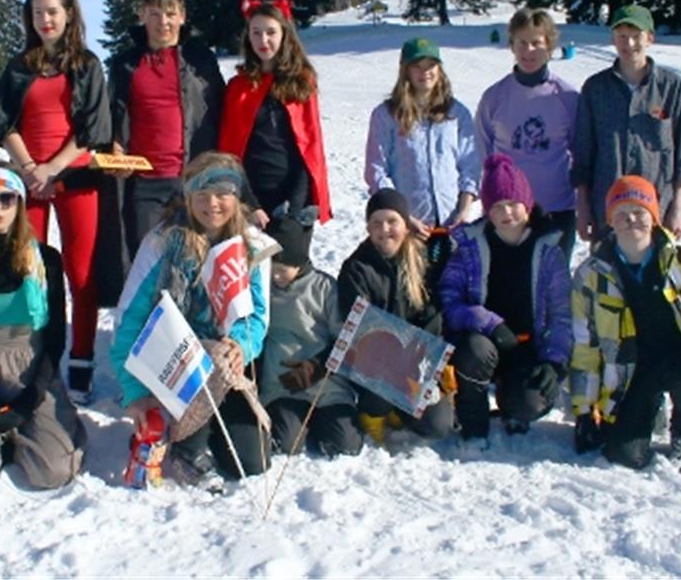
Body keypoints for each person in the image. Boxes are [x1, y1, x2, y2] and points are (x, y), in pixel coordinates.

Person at [0, 0, 112, 404]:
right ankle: (34, 352)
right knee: (29, 270)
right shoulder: (19, 67)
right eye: (37, 13)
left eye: (53, 12)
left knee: (80, 272)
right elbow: (5, 123)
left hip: (75, 175)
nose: (46, 21)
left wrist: (53, 168)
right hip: (28, 181)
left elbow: (93, 126)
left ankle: (81, 356)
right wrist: (30, 168)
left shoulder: (87, 65)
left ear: (69, 14)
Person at [111, 152, 276, 483]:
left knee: (252, 461)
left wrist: (242, 345)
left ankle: (206, 425)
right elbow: (128, 321)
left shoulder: (253, 245)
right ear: (188, 197)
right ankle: (187, 444)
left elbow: (257, 315)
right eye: (201, 194)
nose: (211, 204)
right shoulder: (162, 242)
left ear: (237, 196)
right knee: (209, 356)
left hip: (223, 366)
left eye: (221, 194)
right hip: (170, 360)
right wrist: (135, 393)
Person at [569, 176, 681, 475]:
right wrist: (584, 411)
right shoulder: (592, 276)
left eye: (639, 211)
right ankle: (650, 411)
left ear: (654, 216)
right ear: (611, 220)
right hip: (631, 370)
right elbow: (585, 344)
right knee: (624, 455)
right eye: (621, 214)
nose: (631, 220)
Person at [0, 163, 86, 490]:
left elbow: (54, 337)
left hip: (32, 370)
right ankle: (0, 438)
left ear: (20, 203)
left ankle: (31, 429)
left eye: (6, 198)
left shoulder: (46, 259)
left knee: (53, 472)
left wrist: (31, 398)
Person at [438, 154, 572, 444]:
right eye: (497, 206)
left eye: (513, 203)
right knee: (475, 350)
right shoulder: (471, 246)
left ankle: (513, 406)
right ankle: (473, 421)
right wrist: (488, 322)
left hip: (527, 348)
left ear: (527, 203)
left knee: (531, 401)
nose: (506, 212)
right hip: (485, 343)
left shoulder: (548, 250)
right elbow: (449, 300)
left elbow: (562, 314)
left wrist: (554, 362)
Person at [108, 0, 225, 257]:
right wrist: (116, 147)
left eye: (171, 14)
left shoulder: (200, 60)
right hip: (146, 184)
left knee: (197, 262)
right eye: (155, 14)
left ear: (182, 17)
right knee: (149, 264)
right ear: (142, 16)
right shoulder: (125, 64)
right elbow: (115, 115)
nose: (164, 22)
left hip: (195, 182)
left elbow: (222, 110)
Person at [338, 188, 455, 444]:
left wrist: (432, 360)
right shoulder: (356, 268)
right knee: (378, 374)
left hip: (415, 358)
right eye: (376, 223)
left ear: (405, 224)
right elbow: (359, 326)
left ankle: (400, 411)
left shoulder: (421, 261)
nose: (385, 229)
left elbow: (433, 315)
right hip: (375, 361)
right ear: (368, 228)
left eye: (393, 221)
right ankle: (373, 412)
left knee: (438, 425)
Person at [572, 4, 681, 243]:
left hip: (657, 210)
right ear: (613, 39)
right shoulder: (595, 88)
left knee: (654, 276)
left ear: (650, 38)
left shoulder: (671, 88)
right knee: (607, 277)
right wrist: (583, 207)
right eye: (621, 37)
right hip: (607, 211)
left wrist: (678, 207)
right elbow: (583, 153)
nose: (628, 44)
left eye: (636, 36)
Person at [219, 0, 331, 232]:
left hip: (292, 200)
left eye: (270, 32)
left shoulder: (301, 84)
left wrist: (295, 206)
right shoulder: (238, 88)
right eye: (256, 32)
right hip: (248, 201)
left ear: (284, 35)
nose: (263, 40)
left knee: (287, 269)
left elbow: (308, 147)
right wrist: (250, 203)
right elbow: (231, 152)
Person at [475, 8, 578, 263]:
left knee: (553, 287)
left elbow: (582, 153)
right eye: (522, 42)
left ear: (550, 47)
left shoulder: (566, 97)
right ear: (512, 45)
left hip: (557, 208)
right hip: (508, 213)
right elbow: (483, 151)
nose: (528, 51)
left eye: (536, 43)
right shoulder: (495, 97)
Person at [259, 213, 361, 458]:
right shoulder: (262, 288)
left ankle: (324, 422)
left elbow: (345, 339)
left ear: (299, 262)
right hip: (283, 383)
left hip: (326, 382)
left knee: (346, 446)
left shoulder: (324, 288)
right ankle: (298, 423)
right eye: (269, 267)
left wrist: (316, 367)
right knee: (285, 444)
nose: (274, 276)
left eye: (282, 269)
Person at [365, 38, 480, 237]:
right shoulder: (386, 115)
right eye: (417, 66)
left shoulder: (457, 113)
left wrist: (463, 210)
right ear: (406, 70)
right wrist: (403, 217)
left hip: (453, 225)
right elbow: (377, 171)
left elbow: (470, 165)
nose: (425, 72)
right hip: (407, 228)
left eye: (431, 65)